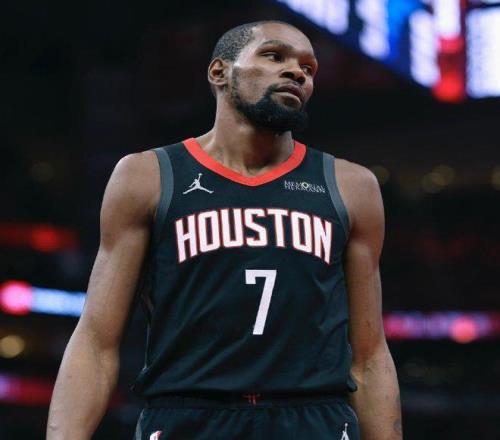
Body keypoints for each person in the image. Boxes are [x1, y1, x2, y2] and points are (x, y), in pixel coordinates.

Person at [47, 20, 402, 440]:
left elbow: (369, 356)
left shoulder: (351, 186)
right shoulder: (147, 176)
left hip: (312, 419)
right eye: (274, 56)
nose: (297, 72)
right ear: (220, 72)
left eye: (308, 68)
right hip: (187, 416)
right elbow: (96, 340)